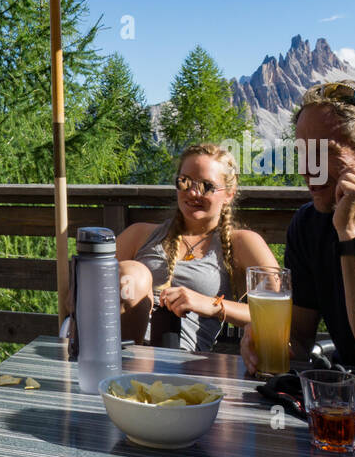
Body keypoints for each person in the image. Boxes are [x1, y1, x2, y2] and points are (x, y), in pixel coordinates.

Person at [241, 83, 355, 373]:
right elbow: (299, 338)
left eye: (323, 152)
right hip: (344, 405)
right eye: (301, 153)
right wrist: (263, 338)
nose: (307, 169)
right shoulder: (309, 225)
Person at [116, 143, 278, 352]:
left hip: (183, 363)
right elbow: (82, 286)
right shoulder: (139, 234)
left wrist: (212, 305)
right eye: (185, 182)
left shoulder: (241, 243)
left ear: (229, 193)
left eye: (206, 186)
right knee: (132, 273)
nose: (193, 193)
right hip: (119, 349)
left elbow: (276, 314)